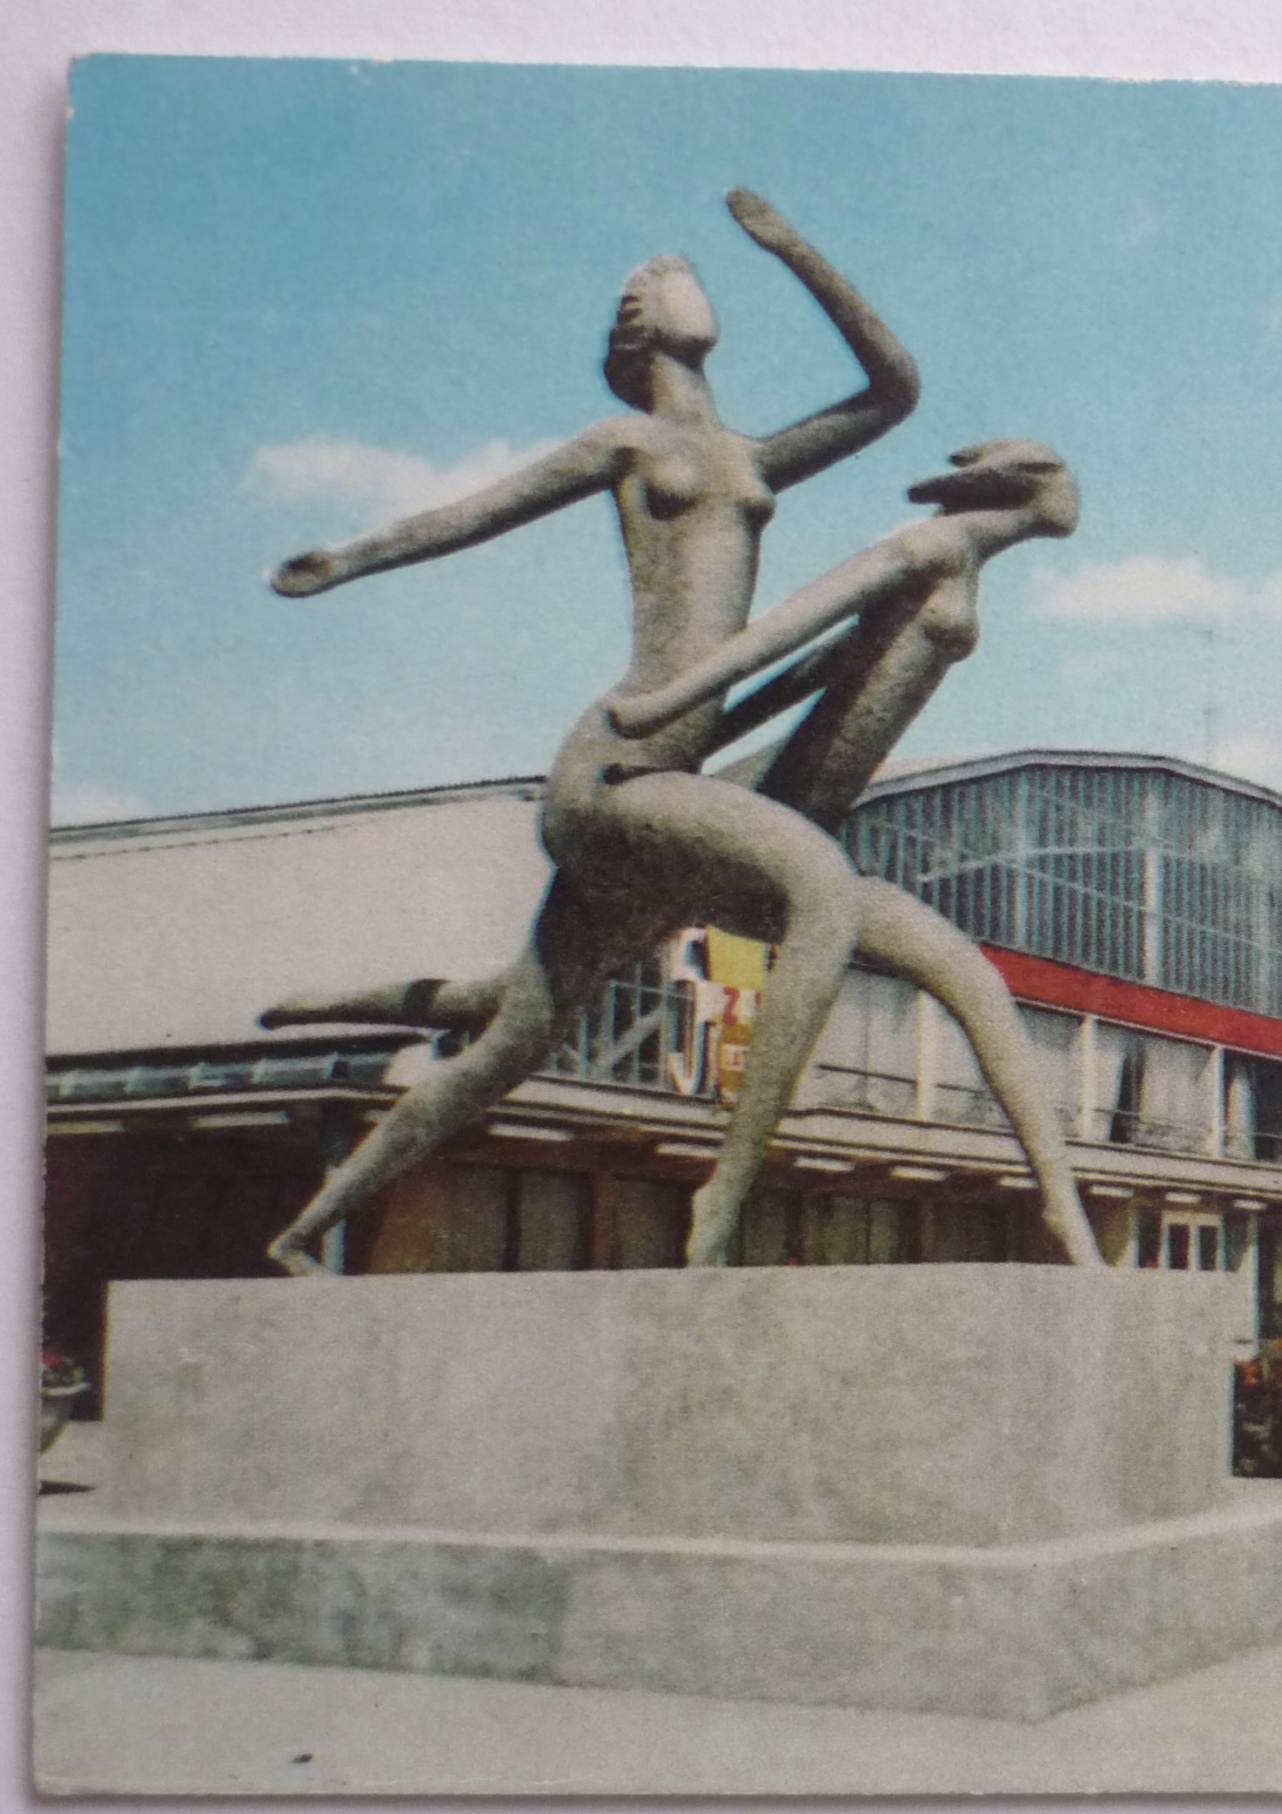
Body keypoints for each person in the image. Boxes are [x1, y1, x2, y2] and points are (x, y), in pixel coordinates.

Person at [260, 189, 928, 1275]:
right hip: (614, 774)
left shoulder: (754, 458)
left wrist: (794, 250)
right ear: (639, 328)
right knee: (816, 878)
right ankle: (723, 1192)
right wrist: (349, 558)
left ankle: (299, 1229)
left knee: (511, 1042)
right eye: (662, 280)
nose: (683, 278)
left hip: (671, 781)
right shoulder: (624, 440)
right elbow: (476, 513)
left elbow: (894, 392)